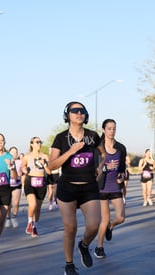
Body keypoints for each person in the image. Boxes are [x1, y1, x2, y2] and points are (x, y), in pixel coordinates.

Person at [48, 101, 105, 275]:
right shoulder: (60, 138)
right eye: (75, 111)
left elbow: (103, 154)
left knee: (94, 226)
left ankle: (84, 245)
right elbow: (51, 165)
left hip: (89, 187)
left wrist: (100, 167)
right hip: (67, 188)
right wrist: (71, 152)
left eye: (82, 110)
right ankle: (69, 265)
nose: (79, 113)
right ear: (68, 115)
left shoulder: (92, 136)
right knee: (70, 228)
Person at [94, 119, 126, 259]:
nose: (112, 131)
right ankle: (99, 248)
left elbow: (122, 168)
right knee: (104, 219)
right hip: (101, 188)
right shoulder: (98, 148)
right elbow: (95, 169)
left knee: (121, 217)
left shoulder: (120, 148)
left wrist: (121, 176)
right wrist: (106, 168)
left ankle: (111, 227)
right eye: (109, 128)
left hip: (115, 187)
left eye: (114, 128)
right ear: (103, 130)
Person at [21, 137, 51, 237]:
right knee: (32, 204)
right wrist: (24, 170)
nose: (39, 144)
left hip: (41, 182)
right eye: (37, 142)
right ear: (31, 144)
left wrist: (45, 165)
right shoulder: (27, 157)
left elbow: (49, 171)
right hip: (30, 181)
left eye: (40, 142)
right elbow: (23, 168)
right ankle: (29, 222)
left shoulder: (45, 156)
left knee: (38, 208)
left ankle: (35, 227)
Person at [5, 146, 23, 228]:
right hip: (7, 185)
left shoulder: (19, 162)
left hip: (17, 183)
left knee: (16, 203)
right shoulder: (5, 161)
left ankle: (14, 217)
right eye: (12, 152)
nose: (14, 154)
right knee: (8, 204)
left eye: (16, 152)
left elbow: (21, 173)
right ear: (9, 153)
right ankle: (8, 218)